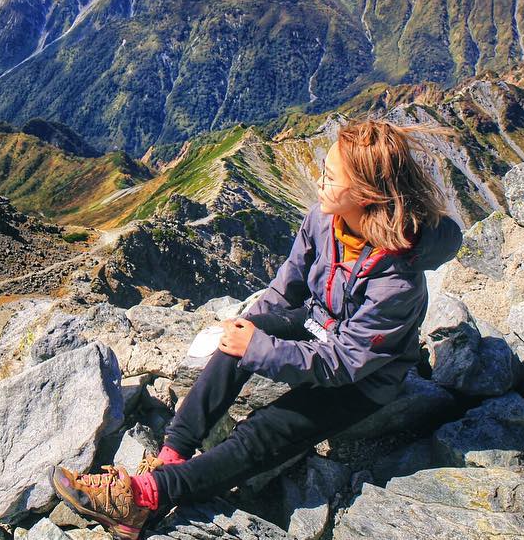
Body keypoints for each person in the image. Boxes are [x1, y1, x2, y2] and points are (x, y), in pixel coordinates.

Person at [50, 119, 464, 540]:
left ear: (365, 195)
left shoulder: (397, 280)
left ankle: (146, 496)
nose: (320, 181)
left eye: (331, 176)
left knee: (268, 427)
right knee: (237, 339)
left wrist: (259, 349)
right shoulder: (325, 220)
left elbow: (343, 362)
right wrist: (246, 332)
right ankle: (172, 453)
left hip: (366, 379)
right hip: (316, 323)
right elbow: (287, 289)